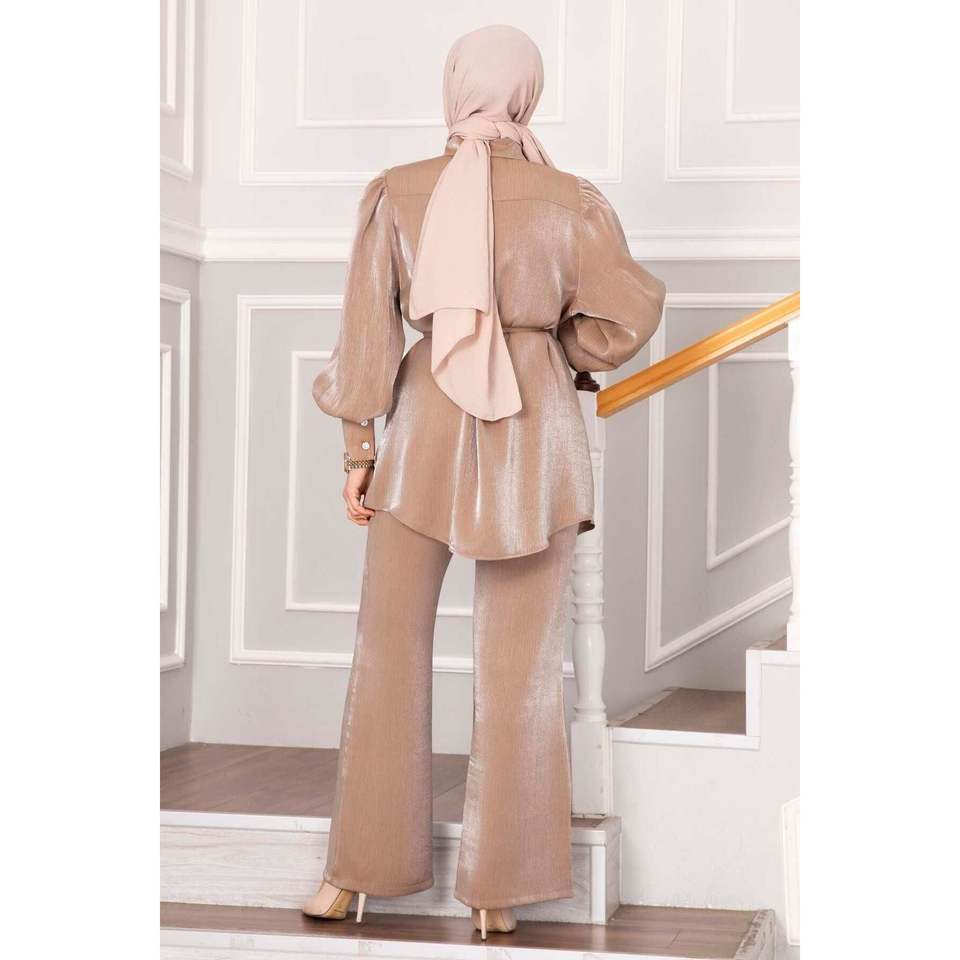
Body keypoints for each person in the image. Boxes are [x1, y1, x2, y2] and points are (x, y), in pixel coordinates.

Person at [302, 24, 665, 941]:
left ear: (455, 86)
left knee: (387, 650)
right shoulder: (572, 200)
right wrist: (553, 346)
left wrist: (358, 450)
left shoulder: (396, 192)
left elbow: (367, 335)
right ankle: (498, 888)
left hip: (424, 421)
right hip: (535, 427)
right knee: (523, 666)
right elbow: (624, 316)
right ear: (529, 94)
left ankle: (354, 876)